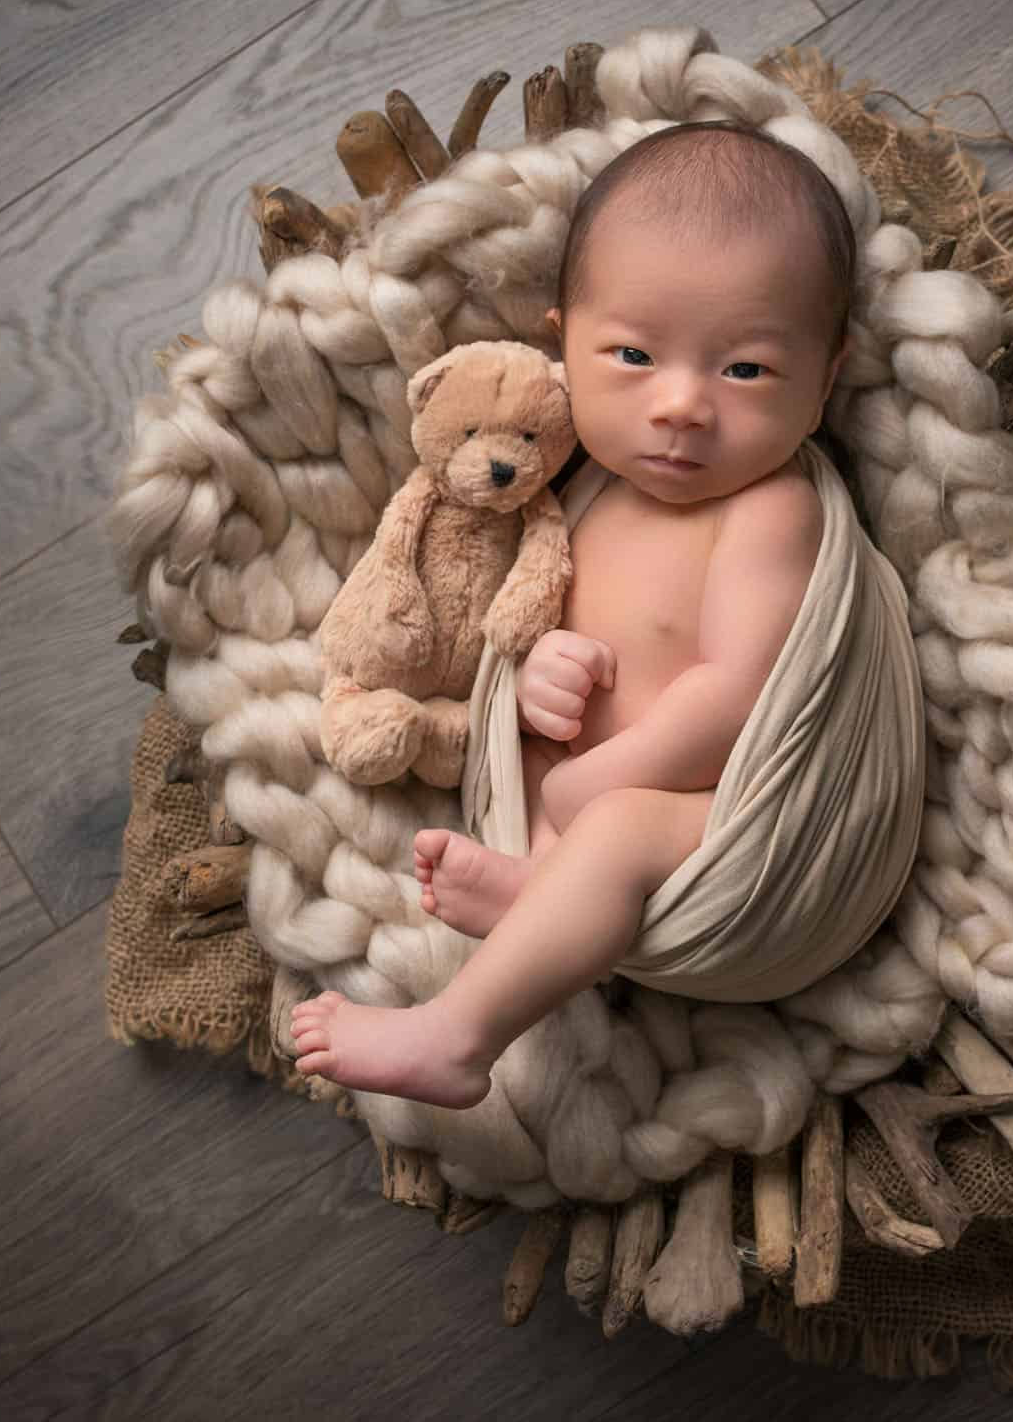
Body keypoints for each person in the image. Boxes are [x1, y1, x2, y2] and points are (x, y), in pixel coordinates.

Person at [292, 119, 857, 1109]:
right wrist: (545, 670)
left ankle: (458, 1038)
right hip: (602, 821)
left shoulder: (772, 508)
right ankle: (542, 907)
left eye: (745, 370)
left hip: (734, 834)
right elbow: (549, 634)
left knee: (619, 825)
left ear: (827, 377)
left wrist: (587, 783)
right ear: (564, 348)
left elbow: (737, 698)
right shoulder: (582, 492)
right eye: (633, 353)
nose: (681, 403)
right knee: (594, 817)